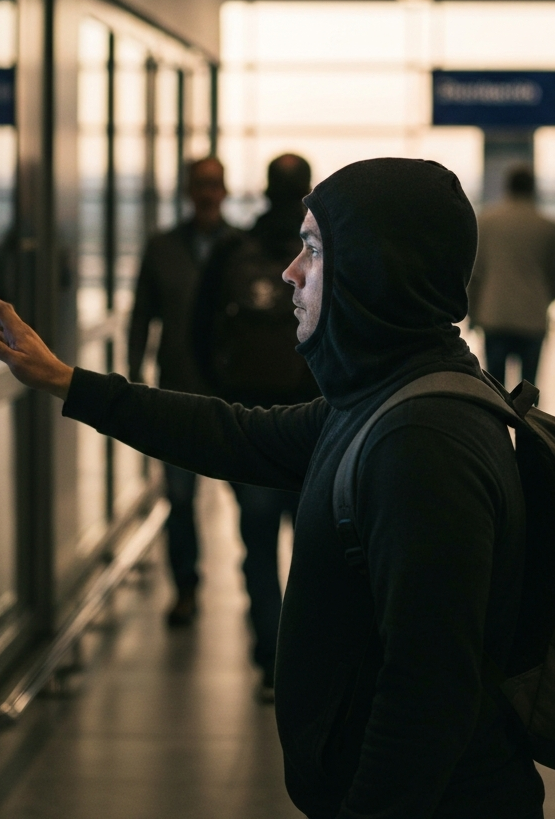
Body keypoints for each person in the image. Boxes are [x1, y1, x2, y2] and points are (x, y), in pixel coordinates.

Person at [0, 157, 545, 819]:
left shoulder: (423, 443)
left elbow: (427, 699)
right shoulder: (385, 399)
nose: (289, 273)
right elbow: (233, 433)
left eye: (312, 250)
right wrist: (67, 381)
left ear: (372, 269)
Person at [192, 153, 319, 701]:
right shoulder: (320, 253)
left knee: (259, 544)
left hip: (249, 423)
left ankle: (272, 659)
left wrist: (224, 400)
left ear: (264, 188)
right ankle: (311, 657)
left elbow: (198, 332)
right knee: (315, 551)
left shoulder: (232, 251)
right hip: (312, 429)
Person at [127, 156, 234, 626]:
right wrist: (132, 383)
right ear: (188, 191)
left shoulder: (239, 248)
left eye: (215, 184)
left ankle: (260, 597)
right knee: (180, 499)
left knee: (251, 500)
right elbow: (140, 317)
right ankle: (186, 589)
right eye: (200, 185)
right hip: (178, 394)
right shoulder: (163, 248)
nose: (208, 193)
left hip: (235, 396)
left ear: (225, 190)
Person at [468, 165, 555, 387]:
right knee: (528, 393)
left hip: (494, 314)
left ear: (507, 188)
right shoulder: (548, 227)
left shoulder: (486, 222)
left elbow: (475, 274)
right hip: (532, 318)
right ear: (533, 189)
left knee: (494, 388)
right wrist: (543, 299)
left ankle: (496, 423)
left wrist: (473, 313)